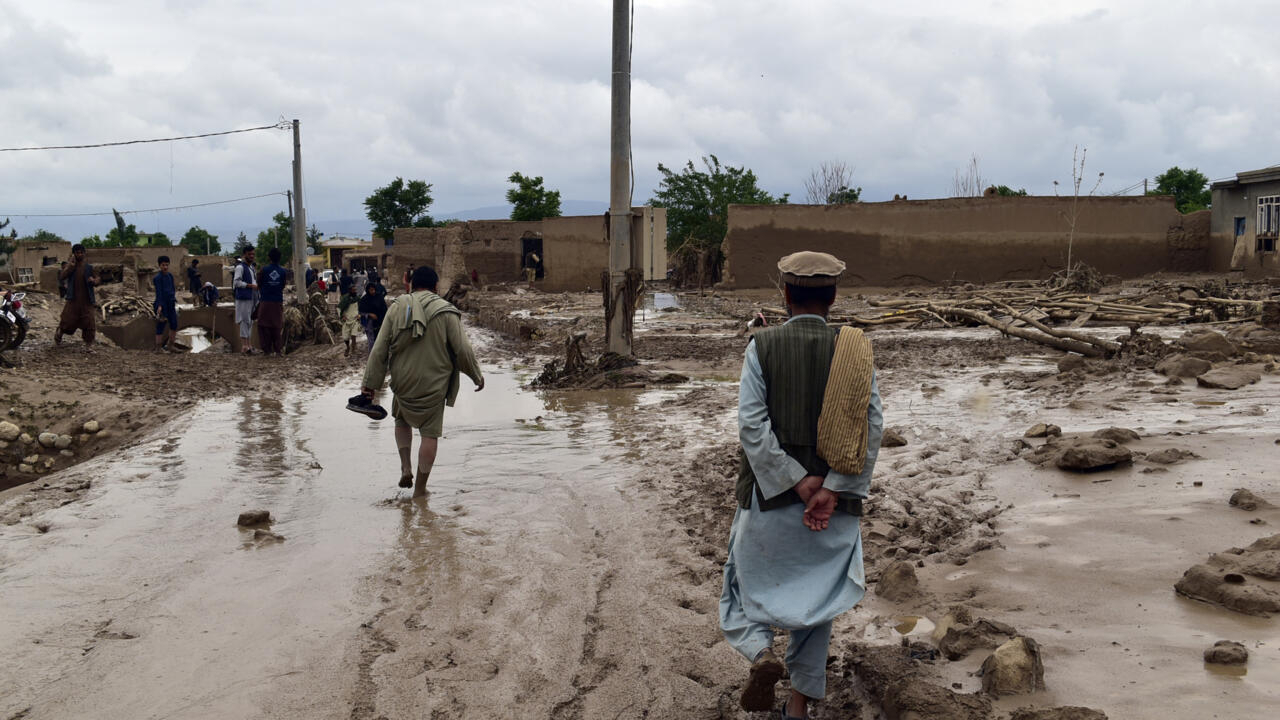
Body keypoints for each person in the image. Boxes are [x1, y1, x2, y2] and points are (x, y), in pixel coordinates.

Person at [720, 251, 882, 718]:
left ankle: (759, 653)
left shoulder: (762, 346)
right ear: (833, 298)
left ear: (785, 295)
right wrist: (832, 487)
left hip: (768, 502)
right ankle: (797, 709)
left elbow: (752, 427)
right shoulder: (855, 349)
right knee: (817, 607)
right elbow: (871, 428)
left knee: (737, 587)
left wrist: (796, 483)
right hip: (834, 510)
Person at [358, 266, 483, 497]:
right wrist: (476, 375)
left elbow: (379, 349)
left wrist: (370, 385)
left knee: (401, 420)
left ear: (412, 285)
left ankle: (405, 466)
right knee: (429, 434)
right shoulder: (447, 311)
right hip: (434, 385)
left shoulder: (396, 308)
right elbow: (463, 350)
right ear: (436, 287)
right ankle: (420, 490)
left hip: (403, 381)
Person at [55, 244, 99, 347]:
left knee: (89, 323)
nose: (79, 255)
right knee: (67, 321)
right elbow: (62, 276)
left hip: (87, 301)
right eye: (77, 253)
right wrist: (71, 266)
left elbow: (98, 278)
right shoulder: (70, 267)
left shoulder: (89, 268)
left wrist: (94, 281)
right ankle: (59, 335)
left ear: (84, 253)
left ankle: (89, 344)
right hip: (73, 300)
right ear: (74, 254)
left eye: (81, 253)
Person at [257, 248, 287, 356]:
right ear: (280, 258)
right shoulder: (283, 271)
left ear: (269, 258)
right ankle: (278, 350)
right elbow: (283, 285)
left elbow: (259, 283)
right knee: (276, 326)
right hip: (277, 301)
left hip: (265, 301)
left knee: (263, 325)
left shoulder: (264, 270)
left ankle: (267, 350)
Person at [233, 248, 258, 354]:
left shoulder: (251, 268)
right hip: (244, 297)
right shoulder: (240, 267)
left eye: (253, 254)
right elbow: (237, 282)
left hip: (252, 297)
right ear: (244, 255)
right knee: (244, 321)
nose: (251, 256)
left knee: (250, 321)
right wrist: (249, 286)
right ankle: (244, 346)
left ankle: (249, 345)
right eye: (249, 254)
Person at [153, 255, 179, 352]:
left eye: (167, 265)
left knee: (174, 324)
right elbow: (159, 292)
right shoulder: (157, 278)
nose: (165, 267)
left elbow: (172, 289)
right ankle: (158, 347)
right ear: (159, 265)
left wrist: (174, 299)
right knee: (161, 325)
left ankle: (170, 345)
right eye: (163, 265)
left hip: (171, 303)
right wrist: (159, 306)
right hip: (162, 304)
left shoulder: (170, 276)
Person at [358, 280, 387, 351]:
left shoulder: (379, 297)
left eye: (374, 289)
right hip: (370, 324)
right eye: (371, 290)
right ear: (368, 290)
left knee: (381, 340)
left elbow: (384, 308)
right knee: (372, 341)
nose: (373, 291)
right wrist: (370, 314)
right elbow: (361, 312)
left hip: (380, 321)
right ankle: (372, 356)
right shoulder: (364, 300)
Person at [338, 282, 361, 356]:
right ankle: (348, 347)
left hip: (355, 319)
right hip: (347, 320)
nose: (355, 291)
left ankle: (353, 349)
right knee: (346, 337)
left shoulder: (357, 298)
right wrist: (342, 316)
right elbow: (339, 308)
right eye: (353, 290)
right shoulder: (345, 299)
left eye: (355, 290)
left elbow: (361, 308)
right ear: (350, 291)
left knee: (353, 335)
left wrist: (359, 315)